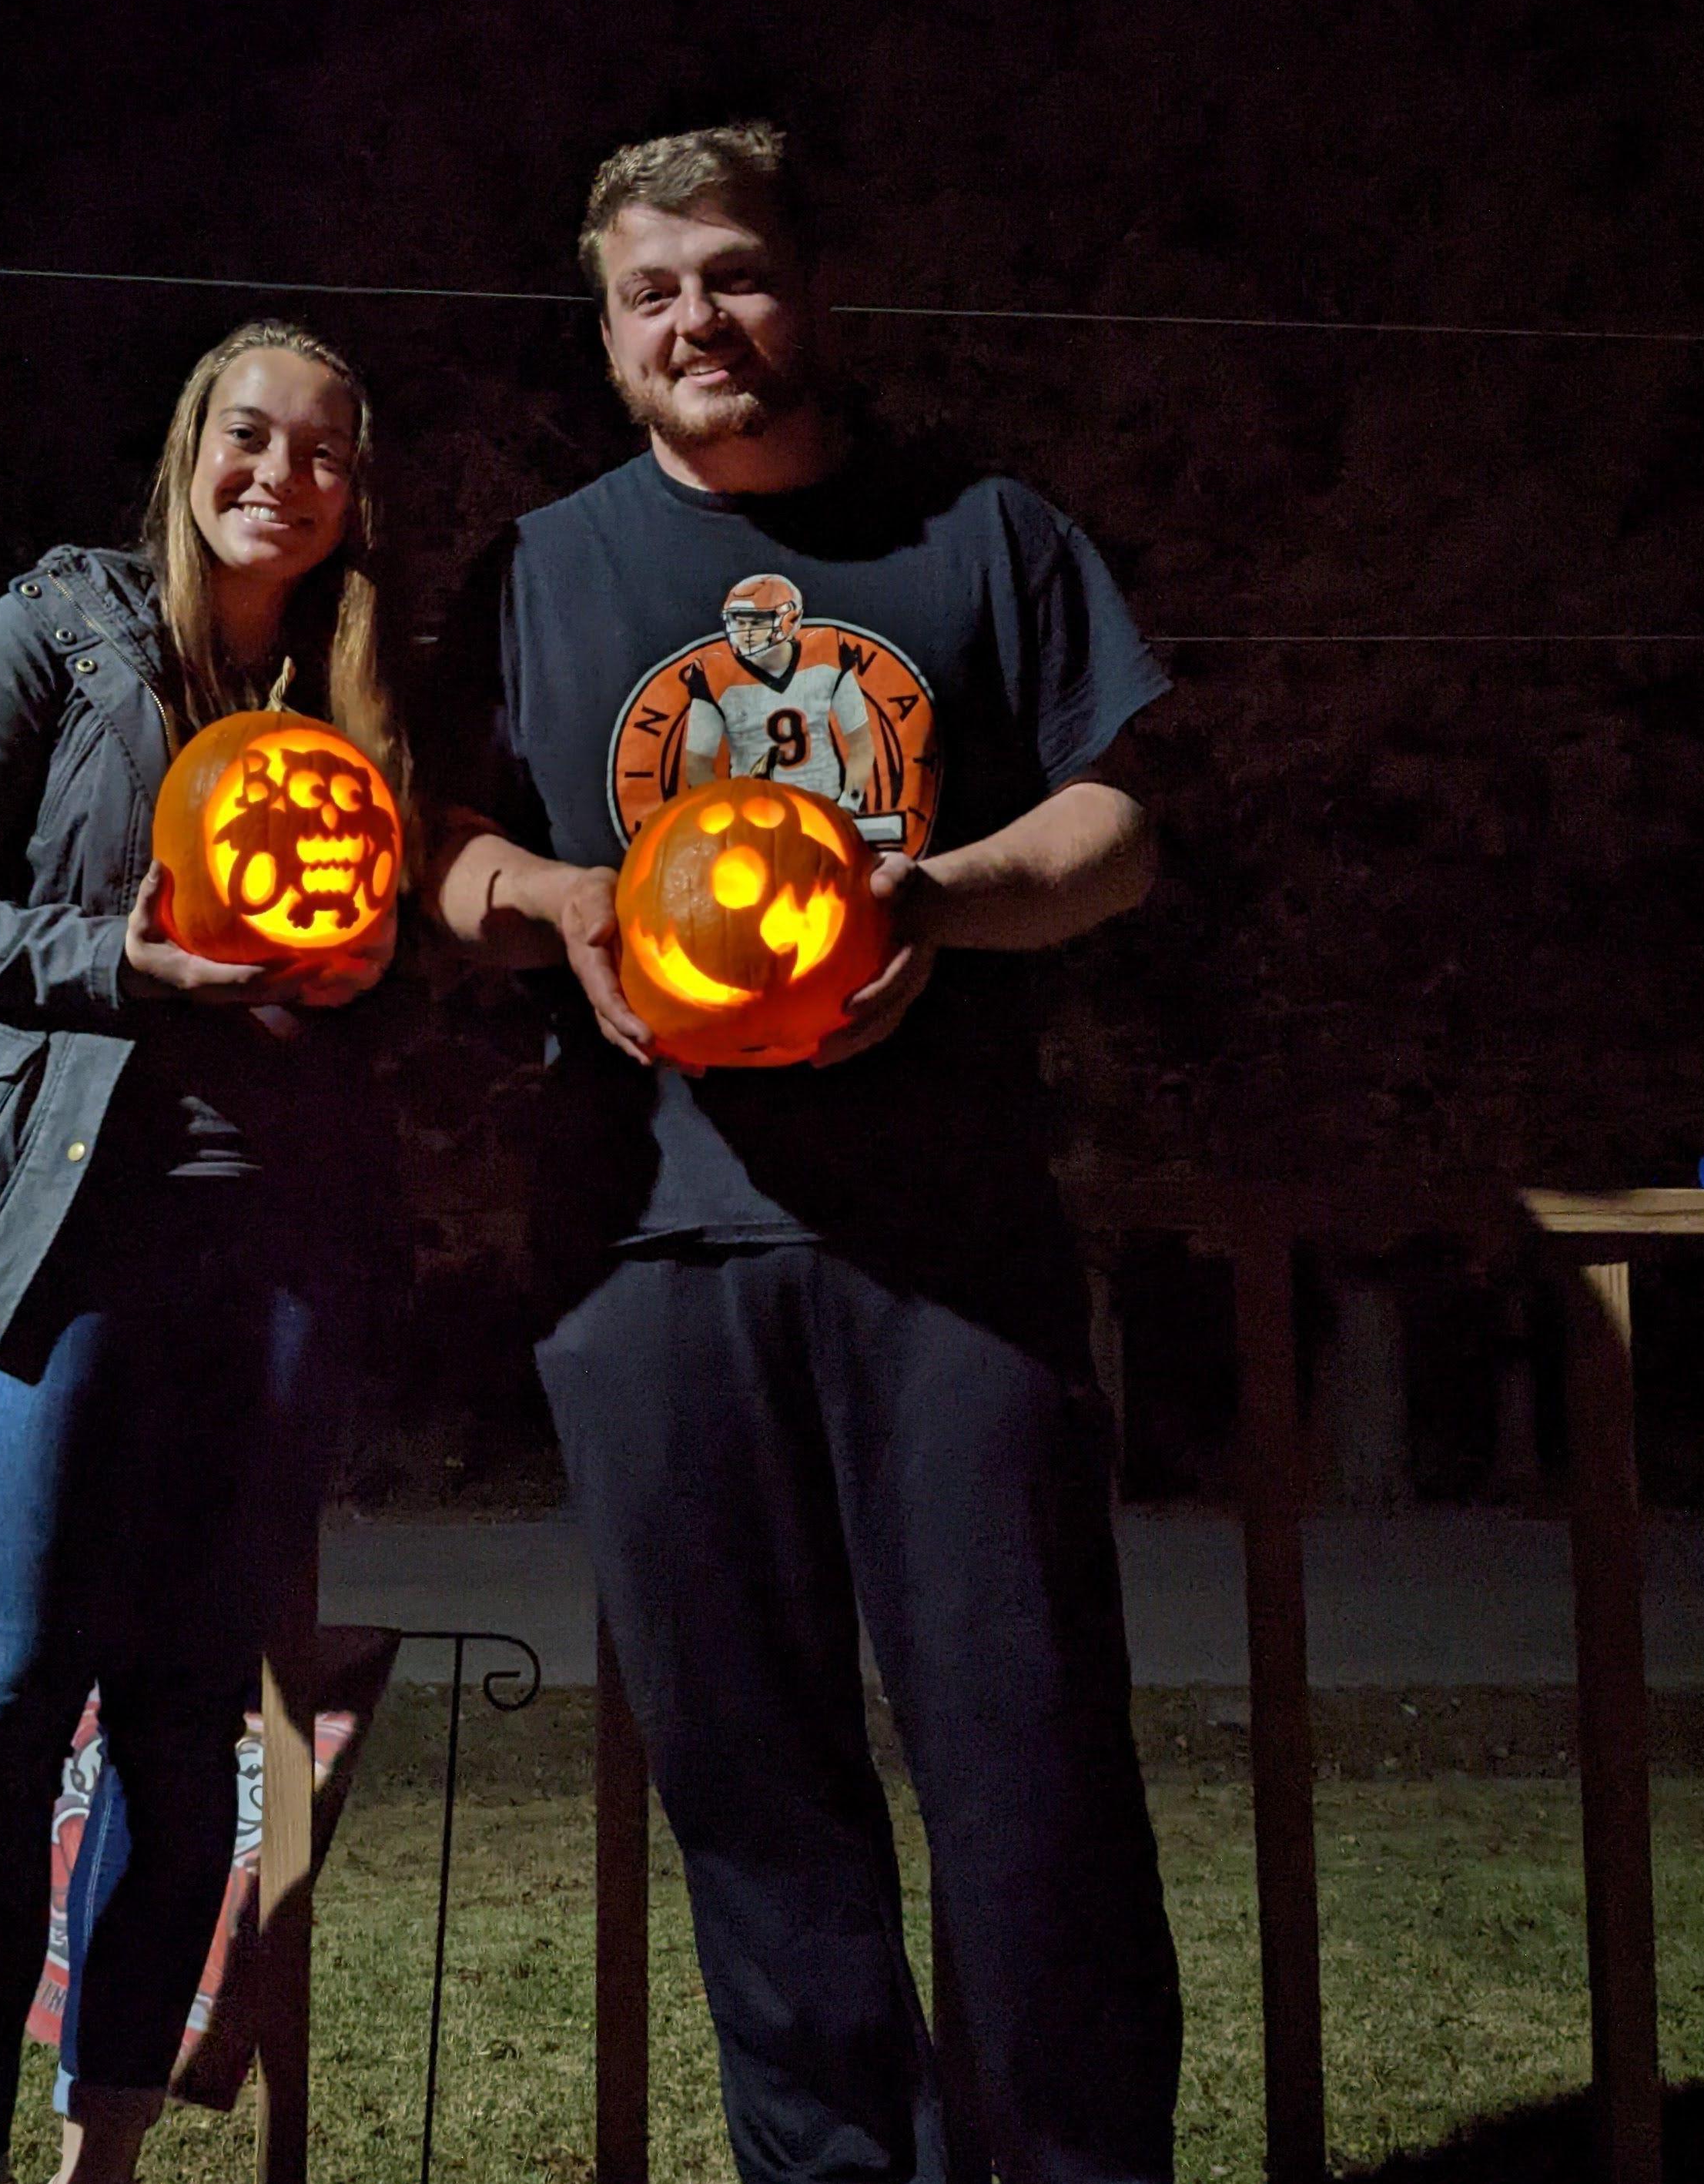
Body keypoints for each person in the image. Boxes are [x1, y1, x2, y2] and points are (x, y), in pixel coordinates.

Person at [423, 125, 1183, 2184]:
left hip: (950, 1249)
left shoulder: (981, 533)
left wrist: (927, 899)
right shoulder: (540, 569)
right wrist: (565, 901)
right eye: (653, 291)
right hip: (650, 1248)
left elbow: (1112, 827)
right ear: (605, 336)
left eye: (735, 274)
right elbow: (433, 852)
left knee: (1025, 1774)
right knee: (752, 1792)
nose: (700, 320)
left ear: (812, 290)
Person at [0, 320, 406, 2184]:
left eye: (321, 451)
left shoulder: (357, 683)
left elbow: (375, 937)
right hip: (30, 1226)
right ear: (188, 443)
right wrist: (114, 960)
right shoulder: (55, 632)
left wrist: (365, 981)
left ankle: (107, 2157)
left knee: (178, 1717)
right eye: (251, 435)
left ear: (350, 487)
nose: (279, 475)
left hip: (266, 1244)